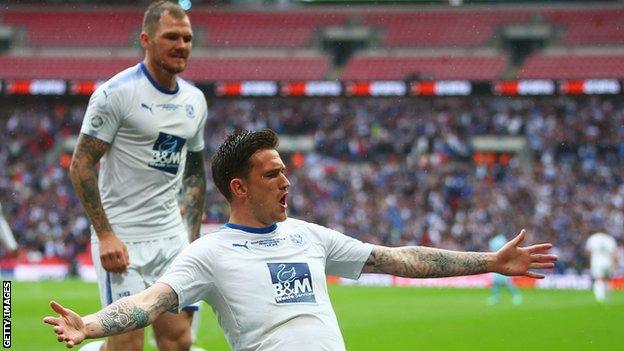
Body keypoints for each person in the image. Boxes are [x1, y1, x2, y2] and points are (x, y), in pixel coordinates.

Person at [45, 129, 557, 350]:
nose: (287, 181)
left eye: (286, 171)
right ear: (239, 188)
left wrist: (490, 259)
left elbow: (401, 258)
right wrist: (89, 324)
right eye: (273, 175)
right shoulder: (207, 253)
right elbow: (150, 302)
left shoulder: (308, 235)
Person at [67, 2, 207, 351]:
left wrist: (191, 237)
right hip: (124, 239)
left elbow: (193, 174)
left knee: (178, 340)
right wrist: (106, 235)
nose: (181, 45)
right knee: (127, 345)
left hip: (171, 238)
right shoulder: (116, 94)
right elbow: (81, 164)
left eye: (187, 38)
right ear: (146, 39)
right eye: (171, 36)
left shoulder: (195, 100)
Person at [487, 233, 523, 305]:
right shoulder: (493, 241)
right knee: (495, 282)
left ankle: (517, 295)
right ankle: (496, 297)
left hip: (502, 263)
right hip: (495, 263)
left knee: (507, 282)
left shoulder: (500, 239)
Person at [585, 231, 618, 303]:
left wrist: (588, 262)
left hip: (597, 262)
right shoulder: (610, 239)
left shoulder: (593, 238)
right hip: (608, 262)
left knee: (598, 279)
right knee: (607, 280)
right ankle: (607, 298)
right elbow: (614, 253)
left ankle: (600, 299)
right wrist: (615, 263)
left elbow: (588, 251)